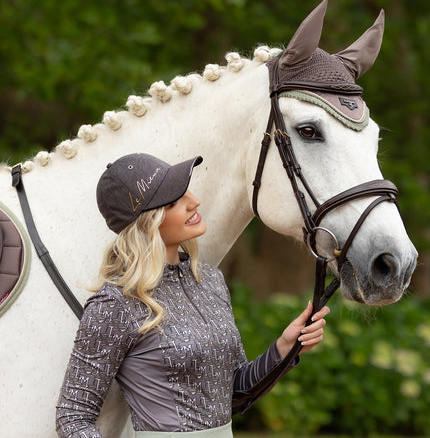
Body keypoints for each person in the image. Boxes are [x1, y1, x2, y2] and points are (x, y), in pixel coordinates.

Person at [55, 152, 330, 437]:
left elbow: (235, 391)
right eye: (175, 200)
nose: (194, 201)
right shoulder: (115, 304)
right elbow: (73, 416)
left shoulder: (210, 281)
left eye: (186, 191)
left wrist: (284, 349)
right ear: (147, 221)